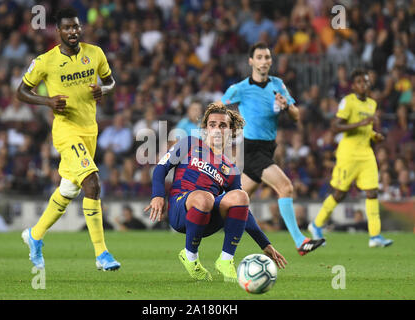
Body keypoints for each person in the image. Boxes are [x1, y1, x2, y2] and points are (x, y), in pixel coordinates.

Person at [16, 7, 120, 270]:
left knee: (69, 189)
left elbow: (111, 82)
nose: (73, 32)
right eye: (67, 28)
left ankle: (35, 235)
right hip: (66, 131)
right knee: (92, 184)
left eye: (76, 27)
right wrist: (48, 101)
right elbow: (21, 92)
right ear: (58, 31)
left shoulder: (94, 53)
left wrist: (103, 90)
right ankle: (102, 254)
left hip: (89, 131)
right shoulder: (45, 61)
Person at [145, 102, 287, 282]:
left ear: (231, 131)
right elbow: (160, 169)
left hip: (208, 218)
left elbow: (243, 211)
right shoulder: (189, 143)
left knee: (241, 196)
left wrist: (265, 244)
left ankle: (226, 260)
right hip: (180, 209)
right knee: (205, 197)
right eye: (212, 125)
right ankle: (190, 257)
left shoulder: (230, 167)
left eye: (223, 125)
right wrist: (157, 195)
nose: (217, 129)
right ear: (205, 128)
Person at [220, 42, 325, 255]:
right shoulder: (240, 88)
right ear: (251, 61)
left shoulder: (278, 84)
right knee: (285, 187)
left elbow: (296, 116)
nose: (264, 61)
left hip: (268, 148)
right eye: (259, 57)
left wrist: (287, 106)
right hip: (251, 149)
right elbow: (218, 109)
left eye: (267, 57)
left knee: (234, 201)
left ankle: (201, 218)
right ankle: (299, 241)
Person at [309, 69, 393, 248]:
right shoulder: (347, 102)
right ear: (354, 86)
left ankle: (375, 236)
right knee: (339, 194)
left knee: (372, 192)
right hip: (348, 154)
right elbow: (335, 126)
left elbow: (366, 129)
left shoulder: (372, 103)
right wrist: (360, 124)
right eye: (360, 82)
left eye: (366, 82)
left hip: (366, 153)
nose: (363, 85)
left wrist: (374, 135)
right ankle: (316, 225)